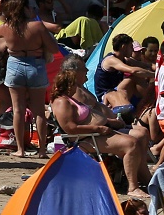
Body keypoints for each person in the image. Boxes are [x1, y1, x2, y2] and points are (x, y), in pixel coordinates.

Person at [48, 66, 149, 196]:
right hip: (84, 139)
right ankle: (133, 187)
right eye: (75, 84)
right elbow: (70, 128)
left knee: (136, 140)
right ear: (69, 85)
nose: (77, 87)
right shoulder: (62, 102)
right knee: (131, 144)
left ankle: (144, 179)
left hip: (94, 134)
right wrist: (98, 128)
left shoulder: (69, 99)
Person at [0, 0, 53, 158]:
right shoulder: (37, 26)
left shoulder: (7, 27)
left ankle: (20, 149)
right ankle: (42, 150)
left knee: (18, 109)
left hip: (15, 64)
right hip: (35, 65)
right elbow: (53, 48)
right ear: (25, 8)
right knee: (39, 110)